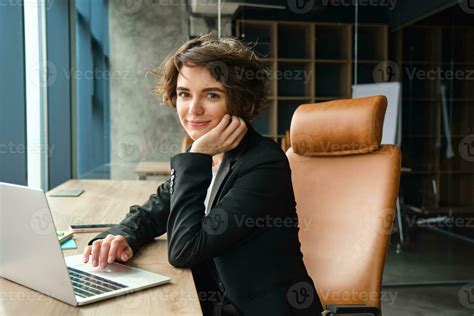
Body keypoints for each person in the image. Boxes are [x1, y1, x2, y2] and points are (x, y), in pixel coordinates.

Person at [82, 33, 323, 315]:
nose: (193, 109)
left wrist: (196, 156)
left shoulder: (263, 164)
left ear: (239, 101)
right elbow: (151, 213)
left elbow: (185, 250)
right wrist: (122, 237)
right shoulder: (210, 154)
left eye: (211, 95)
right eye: (185, 94)